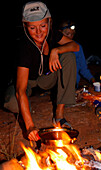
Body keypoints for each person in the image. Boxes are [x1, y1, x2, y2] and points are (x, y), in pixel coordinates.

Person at [11, 1, 80, 141]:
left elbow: (75, 46)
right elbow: (21, 90)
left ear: (49, 22)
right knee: (12, 102)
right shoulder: (24, 46)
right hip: (28, 83)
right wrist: (30, 126)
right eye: (32, 28)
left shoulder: (52, 34)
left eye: (43, 26)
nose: (38, 32)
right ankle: (27, 112)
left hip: (46, 78)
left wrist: (57, 50)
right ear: (25, 27)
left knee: (68, 56)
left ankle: (59, 116)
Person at [58, 19, 95, 88]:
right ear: (59, 33)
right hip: (57, 85)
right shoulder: (54, 47)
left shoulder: (77, 47)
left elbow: (83, 68)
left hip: (73, 85)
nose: (70, 36)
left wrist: (92, 80)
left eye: (72, 34)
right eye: (67, 34)